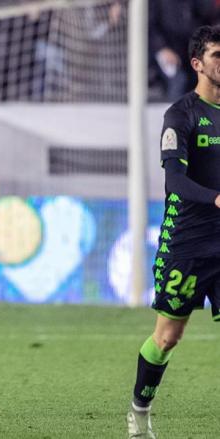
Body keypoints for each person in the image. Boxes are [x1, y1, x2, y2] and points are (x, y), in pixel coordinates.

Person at [127, 25, 220, 438]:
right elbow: (174, 182)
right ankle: (140, 410)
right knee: (167, 337)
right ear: (198, 63)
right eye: (218, 54)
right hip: (186, 241)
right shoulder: (180, 115)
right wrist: (216, 198)